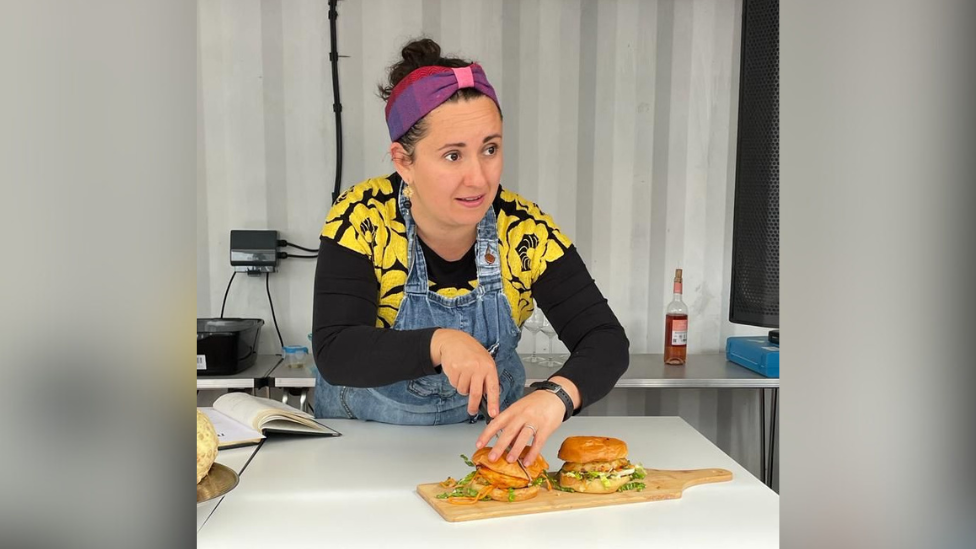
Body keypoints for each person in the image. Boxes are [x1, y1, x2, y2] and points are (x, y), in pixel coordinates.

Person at [311, 38, 628, 466]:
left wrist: (557, 396)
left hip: (489, 445)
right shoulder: (362, 218)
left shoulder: (525, 230)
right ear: (404, 161)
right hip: (363, 448)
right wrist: (440, 343)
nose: (478, 179)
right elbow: (336, 350)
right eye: (453, 155)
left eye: (490, 149)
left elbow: (605, 339)